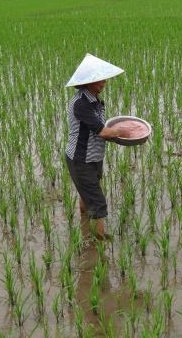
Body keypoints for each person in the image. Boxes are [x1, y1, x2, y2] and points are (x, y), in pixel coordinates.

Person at [64, 54, 126, 241]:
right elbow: (102, 131)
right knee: (98, 202)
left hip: (93, 157)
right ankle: (99, 242)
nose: (105, 82)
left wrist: (114, 134)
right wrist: (124, 132)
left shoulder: (96, 101)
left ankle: (84, 225)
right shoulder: (81, 104)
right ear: (89, 82)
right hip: (80, 159)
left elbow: (98, 131)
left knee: (87, 192)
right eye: (100, 79)